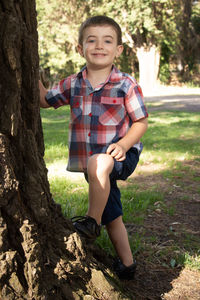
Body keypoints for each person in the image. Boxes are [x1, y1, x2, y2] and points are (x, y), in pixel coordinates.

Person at [39, 15, 148, 280]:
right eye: (92, 40)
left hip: (120, 155)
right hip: (94, 165)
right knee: (113, 215)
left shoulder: (126, 84)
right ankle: (127, 265)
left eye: (107, 41)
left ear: (118, 49)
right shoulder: (73, 83)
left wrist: (123, 144)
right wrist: (28, 63)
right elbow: (43, 100)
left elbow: (141, 122)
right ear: (80, 48)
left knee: (100, 163)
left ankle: (90, 222)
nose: (99, 46)